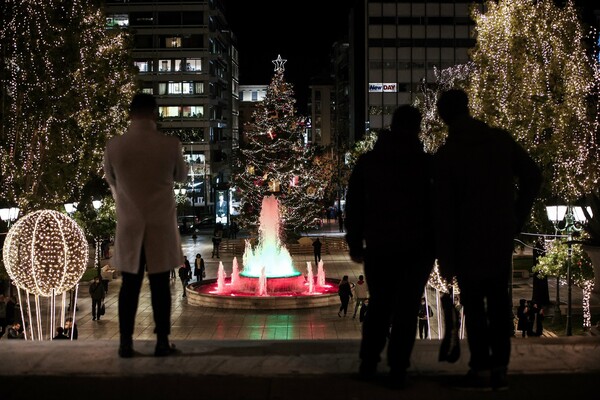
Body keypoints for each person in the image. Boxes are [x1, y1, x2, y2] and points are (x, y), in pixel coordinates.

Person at [432, 89, 542, 391]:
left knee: (475, 308)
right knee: (497, 302)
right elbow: (533, 175)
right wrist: (516, 216)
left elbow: (443, 211)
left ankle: (480, 366)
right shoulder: (499, 141)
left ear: (444, 116)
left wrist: (445, 256)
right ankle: (500, 369)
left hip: (466, 240)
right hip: (498, 235)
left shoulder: (448, 155)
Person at [345, 105, 435, 388]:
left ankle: (369, 363)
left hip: (380, 246)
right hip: (416, 249)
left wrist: (355, 240)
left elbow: (355, 205)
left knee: (380, 305)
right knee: (407, 309)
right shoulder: (425, 164)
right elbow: (436, 209)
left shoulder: (370, 161)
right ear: (417, 129)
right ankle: (398, 368)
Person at [103, 92, 188, 358]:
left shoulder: (114, 145)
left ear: (130, 114)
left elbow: (111, 179)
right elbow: (182, 176)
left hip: (130, 223)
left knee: (130, 285)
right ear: (154, 113)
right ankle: (162, 341)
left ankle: (125, 343)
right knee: (161, 285)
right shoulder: (169, 144)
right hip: (160, 223)